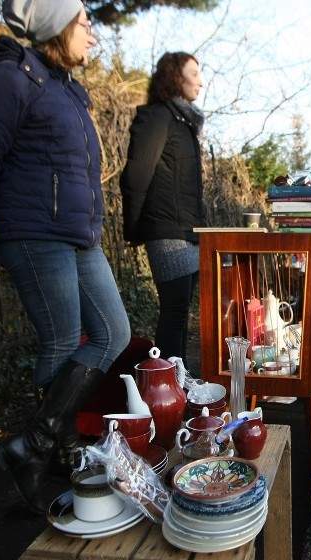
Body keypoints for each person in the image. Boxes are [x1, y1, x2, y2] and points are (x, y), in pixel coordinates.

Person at [0, 0, 131, 514]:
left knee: (113, 333)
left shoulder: (66, 88)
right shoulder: (10, 79)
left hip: (77, 233)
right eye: (85, 23)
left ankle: (34, 445)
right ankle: (61, 450)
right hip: (32, 231)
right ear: (56, 23)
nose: (93, 36)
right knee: (60, 337)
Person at [120, 52, 205, 364]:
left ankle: (177, 383)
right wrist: (134, 230)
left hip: (188, 231)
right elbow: (136, 175)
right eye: (194, 73)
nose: (201, 81)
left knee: (180, 311)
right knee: (173, 311)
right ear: (175, 77)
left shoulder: (184, 123)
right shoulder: (157, 116)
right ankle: (165, 387)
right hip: (166, 229)